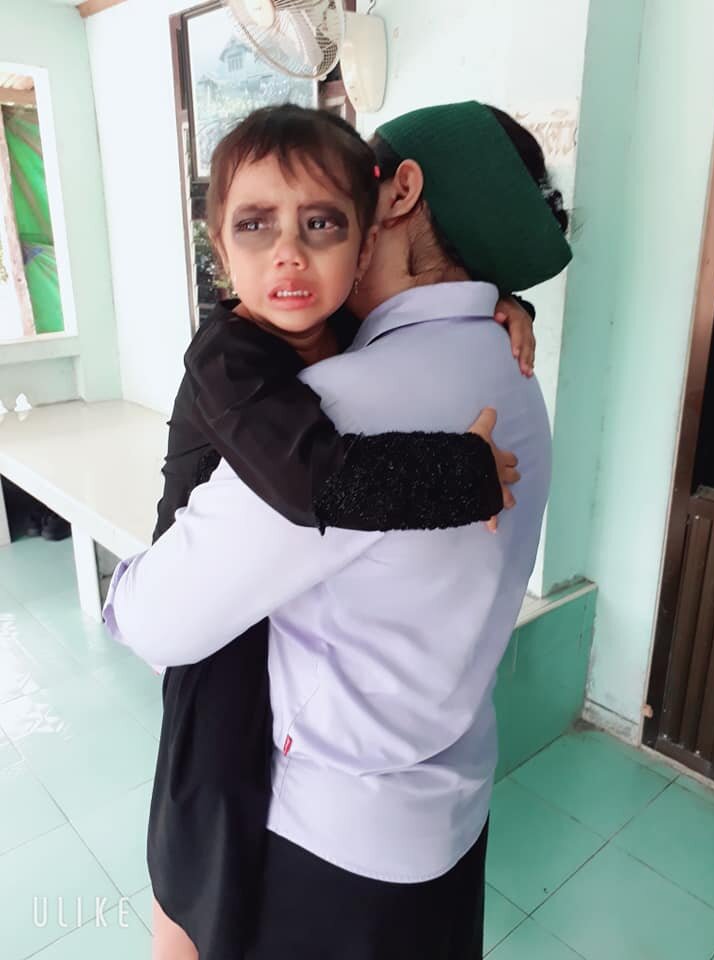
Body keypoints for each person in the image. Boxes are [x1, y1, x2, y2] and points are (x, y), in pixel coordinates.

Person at [105, 100, 571, 959]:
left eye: (328, 216)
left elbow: (158, 623)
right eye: (257, 224)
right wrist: (504, 304)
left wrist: (125, 590)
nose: (293, 251)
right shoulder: (511, 371)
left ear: (394, 198)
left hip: (337, 837)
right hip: (451, 804)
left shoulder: (348, 398)